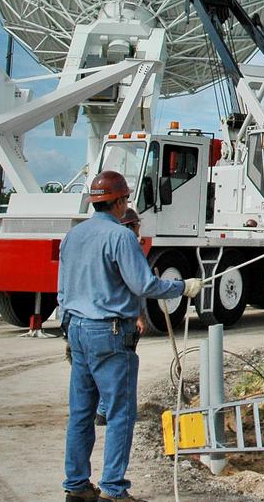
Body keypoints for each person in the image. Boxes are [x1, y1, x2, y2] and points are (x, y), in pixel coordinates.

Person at [58, 170, 202, 502]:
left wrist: (69, 327)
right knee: (121, 413)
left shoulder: (74, 236)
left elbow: (62, 290)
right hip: (109, 332)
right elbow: (144, 285)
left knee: (81, 412)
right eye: (125, 200)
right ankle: (113, 490)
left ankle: (77, 486)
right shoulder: (121, 237)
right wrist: (183, 286)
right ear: (120, 201)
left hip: (78, 329)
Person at [95, 208, 149, 428]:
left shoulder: (105, 244)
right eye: (136, 225)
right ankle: (108, 411)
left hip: (94, 321)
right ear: (129, 226)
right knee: (119, 370)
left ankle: (101, 410)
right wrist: (139, 316)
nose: (138, 230)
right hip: (118, 322)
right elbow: (137, 286)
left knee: (101, 369)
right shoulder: (127, 246)